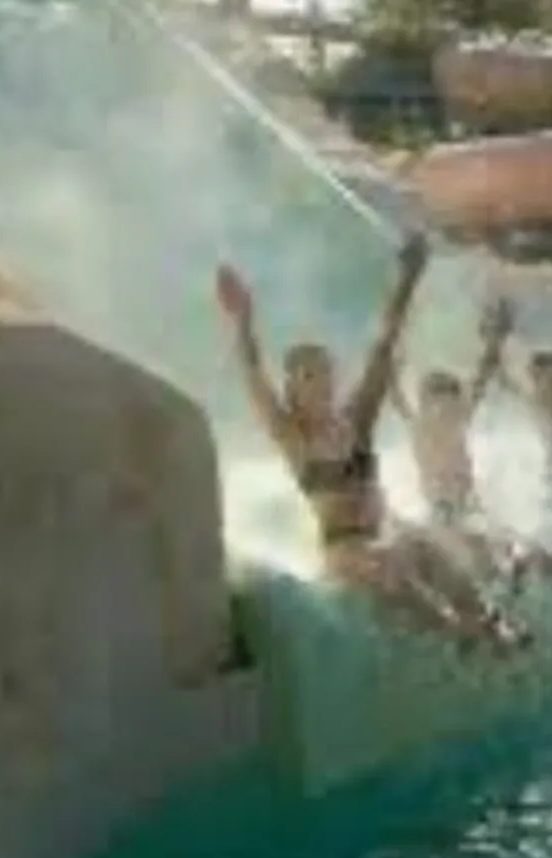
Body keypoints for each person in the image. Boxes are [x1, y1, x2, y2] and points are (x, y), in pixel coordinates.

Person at [214, 233, 530, 655]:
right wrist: (243, 322)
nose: (321, 382)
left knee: (428, 548)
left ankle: (491, 624)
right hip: (344, 551)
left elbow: (384, 347)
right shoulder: (293, 438)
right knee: (388, 566)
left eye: (325, 372)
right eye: (308, 376)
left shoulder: (355, 422)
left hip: (381, 536)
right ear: (292, 391)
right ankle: (458, 630)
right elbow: (254, 375)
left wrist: (408, 278)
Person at [391, 296, 552, 593]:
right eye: (442, 406)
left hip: (467, 502)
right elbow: (395, 393)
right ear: (427, 404)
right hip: (444, 509)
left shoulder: (455, 420)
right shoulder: (420, 427)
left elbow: (482, 378)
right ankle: (511, 576)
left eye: (453, 405)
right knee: (484, 547)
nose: (450, 412)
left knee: (508, 538)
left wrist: (494, 339)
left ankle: (550, 570)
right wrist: (394, 347)